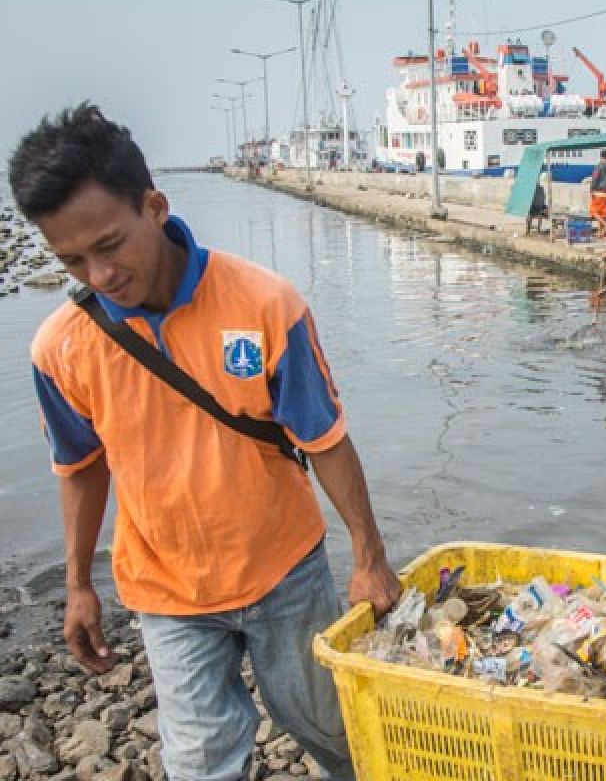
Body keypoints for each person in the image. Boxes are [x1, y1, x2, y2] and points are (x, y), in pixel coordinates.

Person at [10, 104, 402, 780]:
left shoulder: (264, 304)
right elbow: (78, 467)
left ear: (154, 206)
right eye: (71, 259)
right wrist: (78, 585)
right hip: (165, 589)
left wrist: (369, 557)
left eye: (109, 245)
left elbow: (326, 438)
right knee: (199, 760)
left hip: (285, 568)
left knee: (328, 728)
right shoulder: (59, 349)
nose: (99, 276)